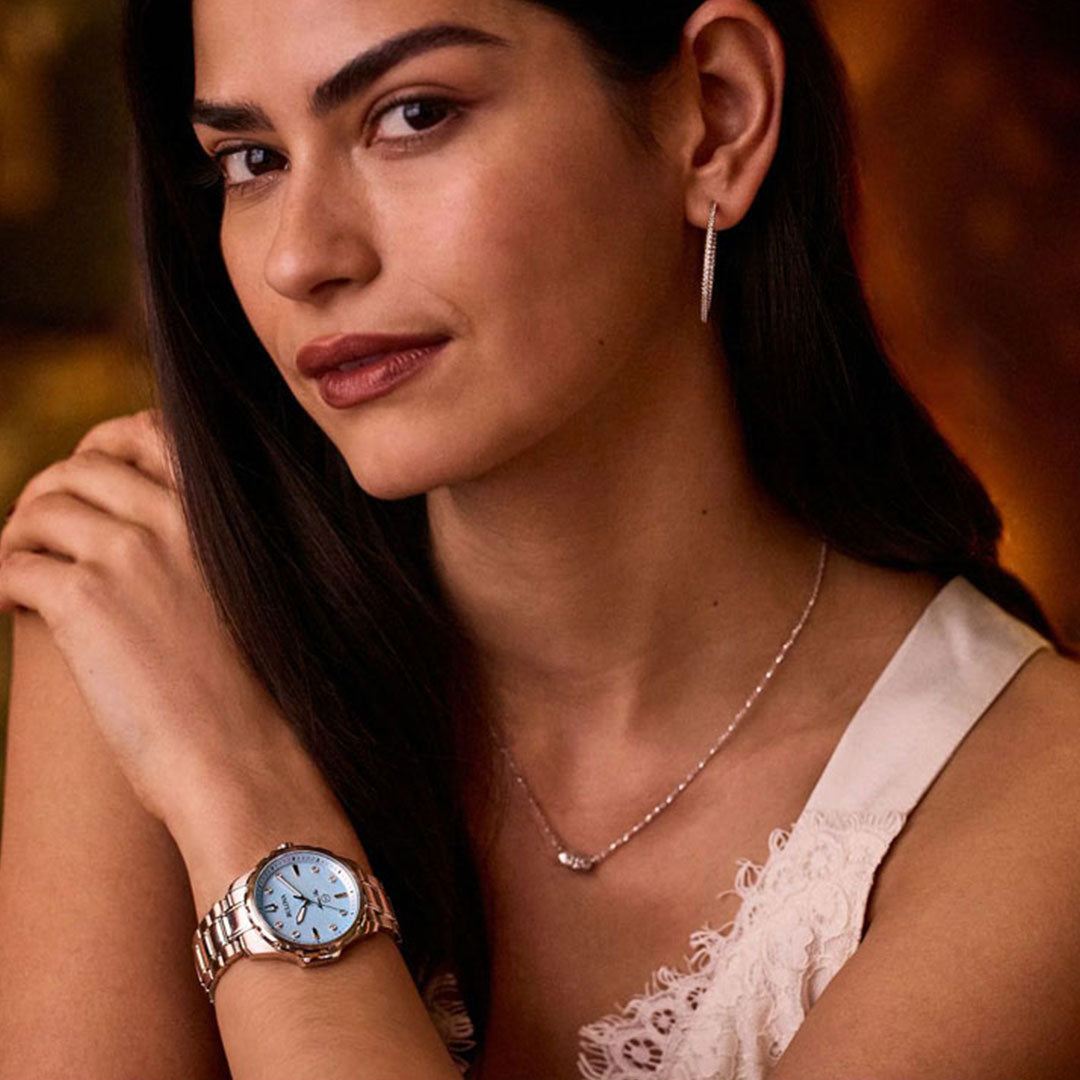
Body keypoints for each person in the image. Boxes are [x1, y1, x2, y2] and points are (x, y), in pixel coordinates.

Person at [1, 0, 1078, 1077]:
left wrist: (242, 799)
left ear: (718, 116)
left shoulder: (1039, 799)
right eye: (250, 159)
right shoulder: (154, 598)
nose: (300, 258)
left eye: (412, 114)